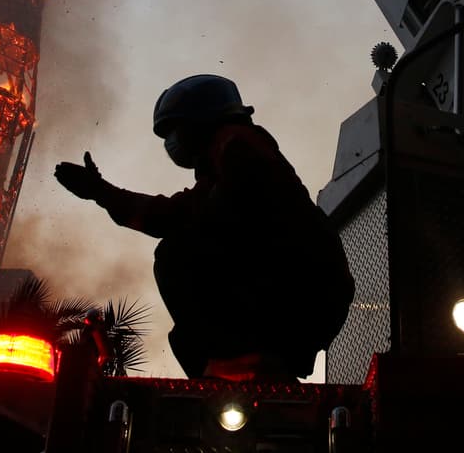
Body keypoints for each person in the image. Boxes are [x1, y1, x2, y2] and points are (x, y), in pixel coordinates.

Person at [55, 74, 354, 382]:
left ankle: (236, 365)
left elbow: (186, 219)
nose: (172, 142)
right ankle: (243, 369)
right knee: (186, 340)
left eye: (175, 130)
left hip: (300, 291)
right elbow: (178, 212)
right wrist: (103, 193)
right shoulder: (228, 159)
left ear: (199, 122)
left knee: (175, 255)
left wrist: (102, 193)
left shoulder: (238, 146)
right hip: (306, 294)